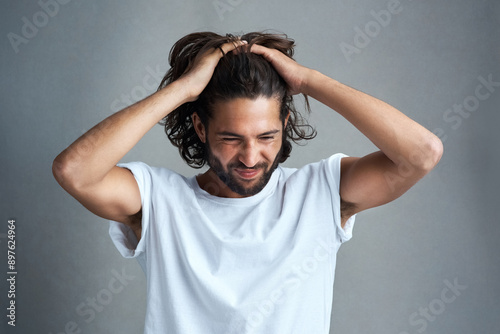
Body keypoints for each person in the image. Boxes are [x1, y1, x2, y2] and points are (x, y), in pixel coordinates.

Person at [52, 31, 443, 334]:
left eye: (266, 137)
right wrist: (184, 89)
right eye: (231, 138)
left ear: (285, 126)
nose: (251, 157)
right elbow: (75, 171)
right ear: (201, 127)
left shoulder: (320, 193)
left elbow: (422, 152)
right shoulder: (158, 200)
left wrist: (308, 80)